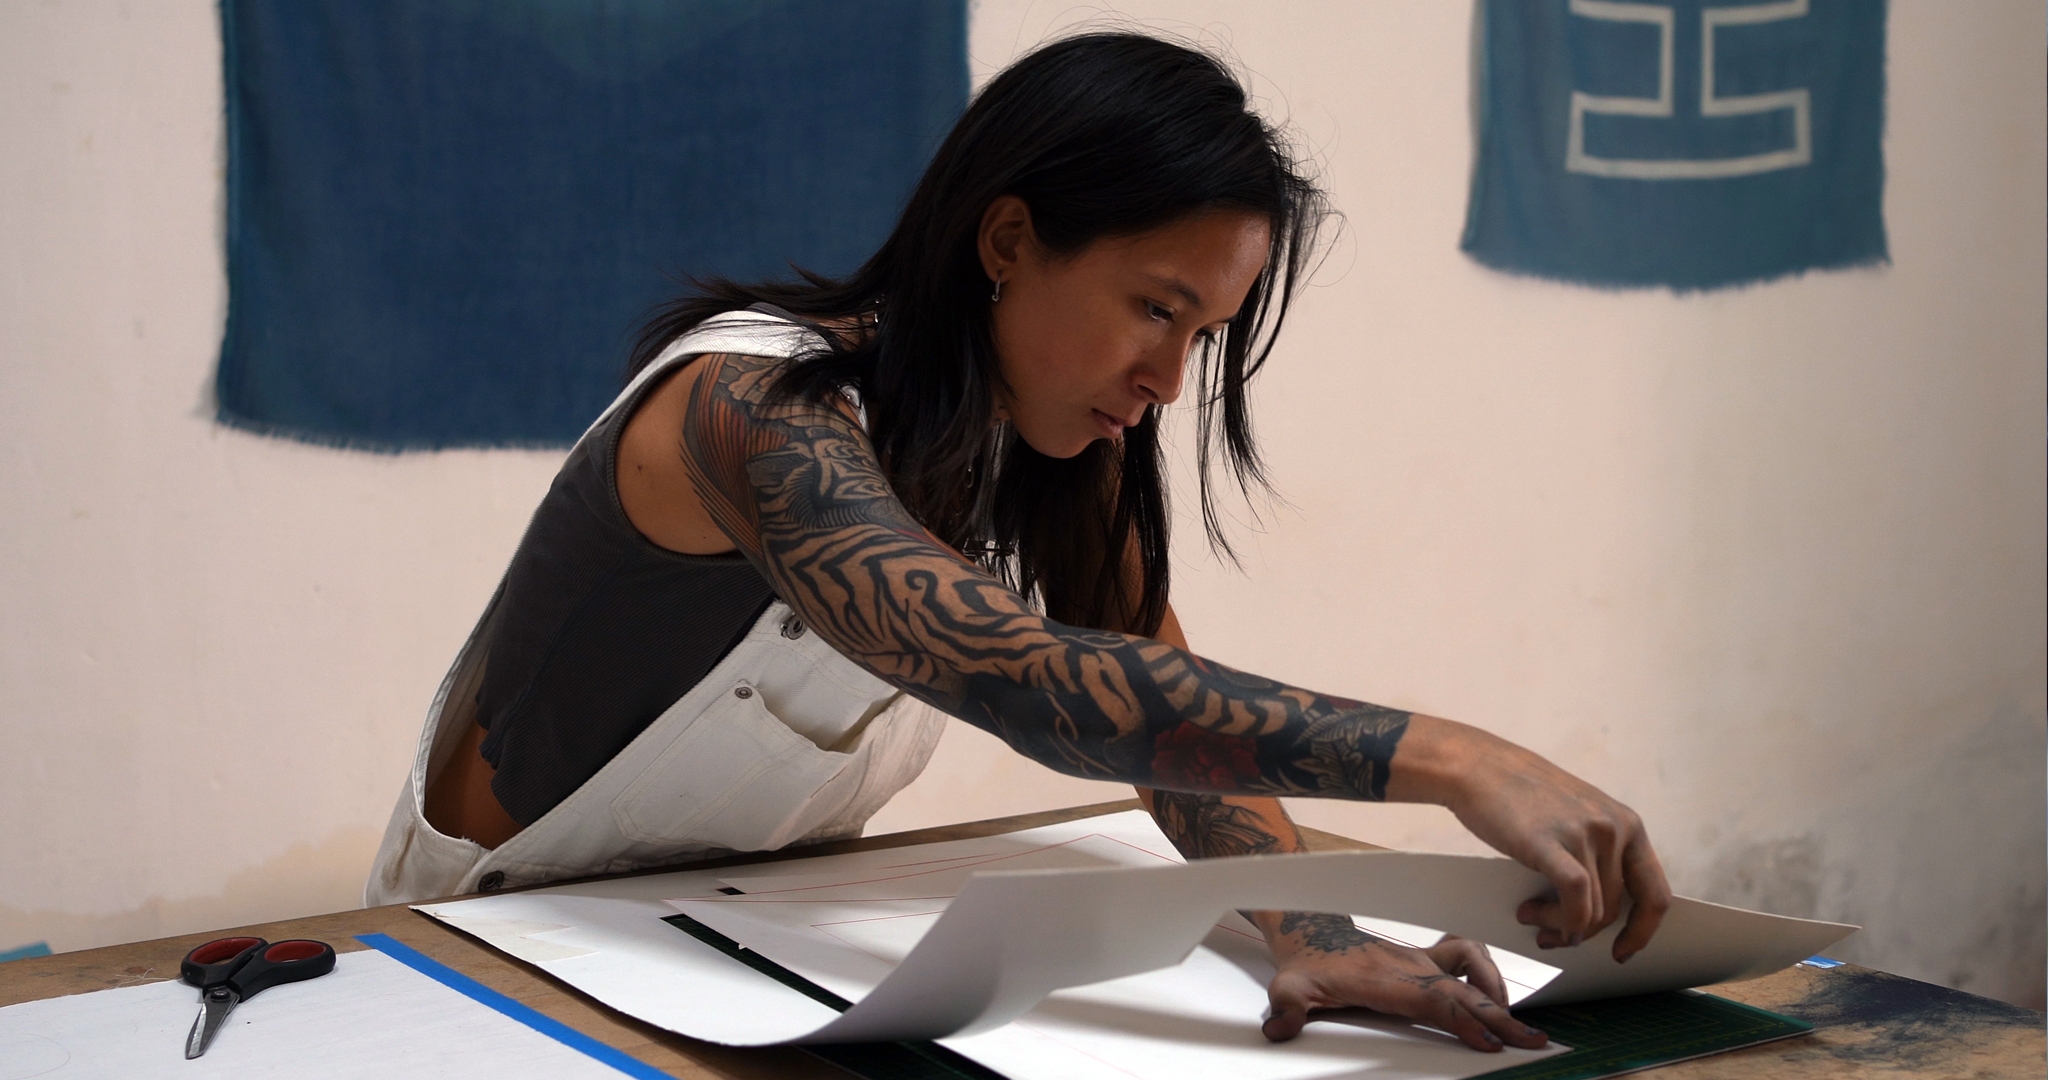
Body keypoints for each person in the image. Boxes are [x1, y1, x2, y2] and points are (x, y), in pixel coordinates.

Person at [366, 31, 1671, 1053]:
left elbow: (1153, 709)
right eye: (1154, 308)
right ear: (1007, 238)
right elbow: (1033, 679)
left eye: (1202, 335)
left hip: (727, 945)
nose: (1168, 377)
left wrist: (1313, 932)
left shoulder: (1058, 449)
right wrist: (1450, 758)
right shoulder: (750, 411)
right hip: (496, 957)